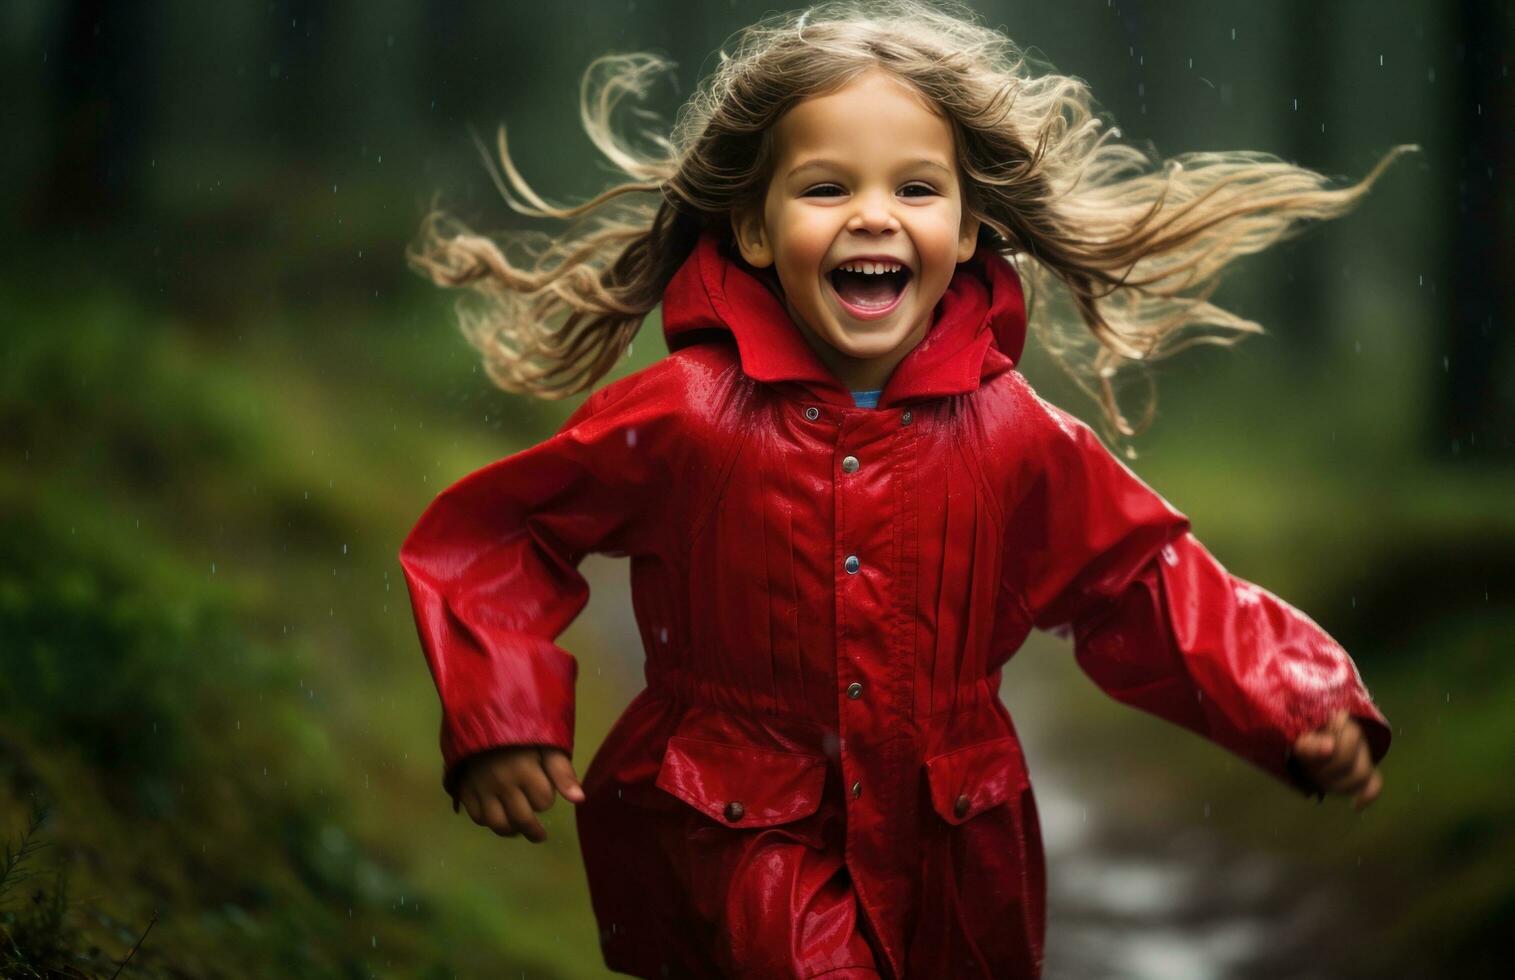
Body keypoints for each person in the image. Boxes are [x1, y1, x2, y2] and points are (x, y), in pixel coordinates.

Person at [398, 3, 1407, 976]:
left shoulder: (1011, 433)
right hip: (742, 829)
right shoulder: (688, 415)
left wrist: (1291, 694)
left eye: (917, 190)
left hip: (957, 844)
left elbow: (1138, 578)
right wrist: (503, 713)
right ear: (753, 229)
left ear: (968, 231)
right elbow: (498, 535)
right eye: (827, 188)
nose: (874, 214)